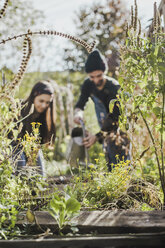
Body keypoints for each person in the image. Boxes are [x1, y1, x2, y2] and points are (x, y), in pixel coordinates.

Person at [74, 49, 128, 170]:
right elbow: (81, 103)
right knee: (109, 160)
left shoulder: (114, 88)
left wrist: (97, 136)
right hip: (103, 124)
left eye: (99, 76)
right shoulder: (88, 84)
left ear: (104, 72)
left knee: (121, 162)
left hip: (118, 126)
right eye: (92, 77)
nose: (96, 80)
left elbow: (114, 118)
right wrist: (78, 113)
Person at [11, 81, 56, 176]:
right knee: (20, 163)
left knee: (40, 174)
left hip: (32, 147)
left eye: (47, 102)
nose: (44, 105)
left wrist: (32, 157)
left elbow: (39, 142)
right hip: (13, 146)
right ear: (34, 96)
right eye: (41, 101)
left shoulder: (44, 115)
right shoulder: (18, 107)